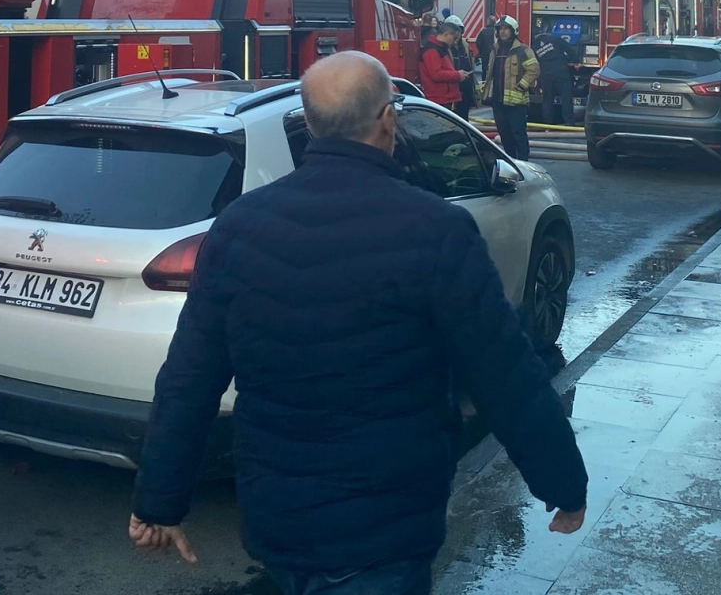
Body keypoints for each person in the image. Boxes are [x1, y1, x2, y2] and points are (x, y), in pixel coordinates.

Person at [128, 52, 589, 593]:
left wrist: (160, 500)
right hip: (387, 524)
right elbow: (503, 371)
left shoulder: (240, 226)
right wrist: (562, 482)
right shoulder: (436, 228)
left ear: (311, 123)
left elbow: (190, 377)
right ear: (388, 119)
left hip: (278, 514)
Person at [482, 16, 538, 162]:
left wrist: (522, 86)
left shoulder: (523, 50)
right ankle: (511, 161)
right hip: (498, 101)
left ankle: (524, 163)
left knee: (518, 134)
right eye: (500, 29)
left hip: (516, 103)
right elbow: (490, 73)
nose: (503, 31)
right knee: (504, 134)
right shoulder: (495, 50)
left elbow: (534, 70)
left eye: (506, 28)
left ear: (513, 31)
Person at [418, 19, 469, 116]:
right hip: (439, 99)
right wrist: (457, 75)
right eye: (454, 38)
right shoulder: (432, 50)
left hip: (443, 99)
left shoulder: (439, 48)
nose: (454, 42)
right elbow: (436, 74)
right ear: (446, 34)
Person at [531, 22, 578, 127]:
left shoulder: (533, 47)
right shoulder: (554, 39)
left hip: (546, 74)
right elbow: (568, 49)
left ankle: (548, 124)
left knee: (547, 99)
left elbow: (534, 63)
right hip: (561, 72)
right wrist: (576, 61)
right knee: (566, 98)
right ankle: (569, 122)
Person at [444, 15, 477, 117]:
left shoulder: (465, 46)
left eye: (458, 31)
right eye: (454, 31)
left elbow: (471, 64)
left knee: (464, 116)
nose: (456, 34)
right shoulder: (444, 48)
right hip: (452, 89)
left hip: (466, 89)